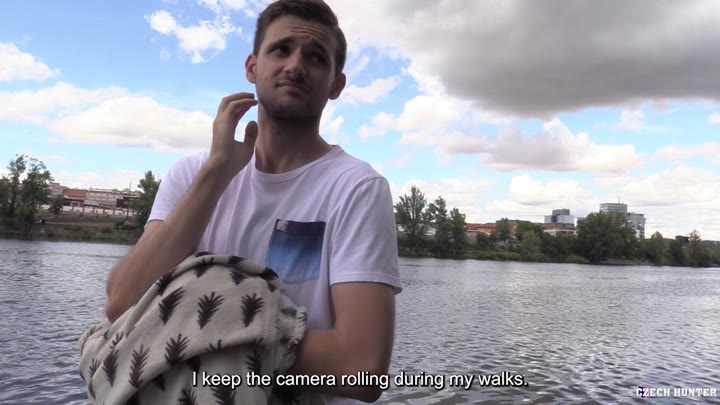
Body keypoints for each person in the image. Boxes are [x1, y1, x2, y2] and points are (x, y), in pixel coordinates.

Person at [103, 0, 402, 403]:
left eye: (315, 57)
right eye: (281, 49)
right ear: (251, 67)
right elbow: (122, 304)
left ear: (336, 85)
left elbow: (360, 371)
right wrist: (217, 173)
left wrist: (206, 324)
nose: (295, 65)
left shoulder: (356, 188)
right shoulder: (193, 175)